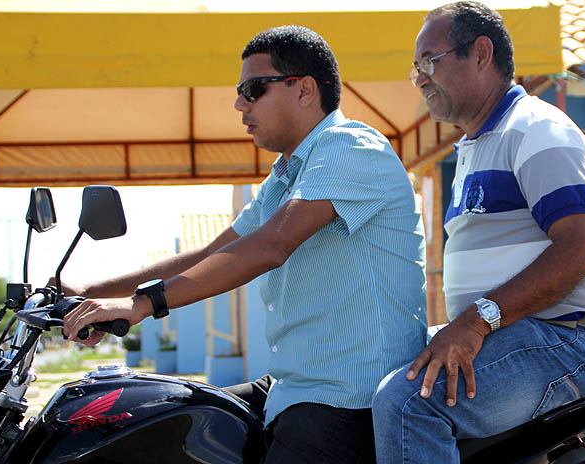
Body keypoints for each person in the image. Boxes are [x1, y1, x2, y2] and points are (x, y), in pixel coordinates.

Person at [62, 25, 427, 463]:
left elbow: (272, 244)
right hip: (296, 386)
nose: (239, 104)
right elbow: (211, 254)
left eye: (253, 89)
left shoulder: (351, 146)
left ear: (304, 90)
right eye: (240, 92)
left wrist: (144, 304)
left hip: (349, 399)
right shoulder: (287, 174)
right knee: (159, 420)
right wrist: (87, 293)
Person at [371, 2, 585, 463]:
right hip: (516, 335)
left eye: (429, 62)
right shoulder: (478, 145)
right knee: (369, 369)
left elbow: (582, 248)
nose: (420, 79)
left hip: (567, 339)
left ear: (481, 53)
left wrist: (474, 321)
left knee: (408, 404)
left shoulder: (536, 129)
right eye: (416, 69)